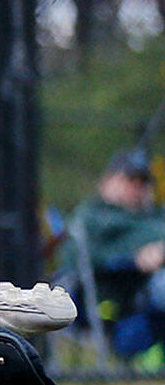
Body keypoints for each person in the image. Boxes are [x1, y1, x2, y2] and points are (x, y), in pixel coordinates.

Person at [64, 149, 165, 368]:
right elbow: (72, 258)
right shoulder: (92, 215)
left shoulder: (157, 216)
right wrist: (131, 260)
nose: (138, 187)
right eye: (131, 180)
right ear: (109, 181)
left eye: (144, 181)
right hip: (117, 308)